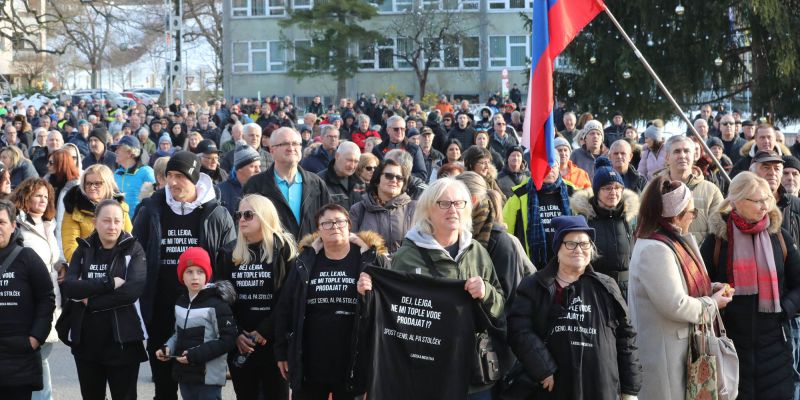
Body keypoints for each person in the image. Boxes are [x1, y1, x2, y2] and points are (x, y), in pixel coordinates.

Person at [362, 177, 504, 399]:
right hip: (424, 370)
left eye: (459, 203)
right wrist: (368, 293)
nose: (453, 210)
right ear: (428, 209)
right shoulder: (406, 257)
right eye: (444, 203)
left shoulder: (478, 252)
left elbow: (499, 307)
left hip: (471, 371)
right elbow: (390, 314)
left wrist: (486, 292)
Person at [132, 151, 236, 400]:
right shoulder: (151, 209)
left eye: (180, 176)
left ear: (195, 179)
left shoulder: (217, 213)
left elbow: (228, 262)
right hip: (161, 309)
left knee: (200, 389)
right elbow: (136, 254)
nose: (174, 182)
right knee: (163, 386)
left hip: (203, 313)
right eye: (169, 175)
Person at [508, 216, 641, 399]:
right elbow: (518, 329)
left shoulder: (606, 286)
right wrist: (542, 367)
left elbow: (625, 337)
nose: (579, 250)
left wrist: (630, 389)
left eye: (585, 244)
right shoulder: (536, 285)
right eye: (571, 244)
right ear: (558, 248)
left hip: (600, 387)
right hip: (553, 387)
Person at [628, 176, 732, 400]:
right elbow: (675, 304)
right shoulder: (655, 248)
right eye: (691, 213)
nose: (693, 219)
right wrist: (712, 303)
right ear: (676, 216)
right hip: (666, 356)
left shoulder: (668, 241)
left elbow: (680, 284)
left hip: (678, 350)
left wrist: (710, 287)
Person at [699, 172, 800, 399]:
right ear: (736, 201)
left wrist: (786, 308)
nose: (765, 206)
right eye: (757, 200)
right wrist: (717, 293)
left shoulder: (779, 237)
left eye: (767, 199)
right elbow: (700, 287)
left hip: (776, 345)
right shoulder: (716, 240)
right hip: (731, 346)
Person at [274, 204, 387, 400]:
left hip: (353, 361)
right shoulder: (305, 261)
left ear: (349, 225)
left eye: (340, 222)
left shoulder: (372, 260)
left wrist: (368, 294)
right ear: (318, 230)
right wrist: (282, 352)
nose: (334, 227)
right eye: (327, 223)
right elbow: (286, 307)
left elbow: (386, 308)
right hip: (310, 362)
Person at [60, 199, 148, 400]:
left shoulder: (133, 249)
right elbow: (71, 287)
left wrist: (91, 301)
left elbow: (131, 292)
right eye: (106, 221)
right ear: (95, 223)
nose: (113, 226)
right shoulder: (83, 249)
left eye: (117, 221)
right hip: (87, 343)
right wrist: (109, 283)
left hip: (123, 342)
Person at [217, 194, 297, 400]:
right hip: (241, 343)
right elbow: (221, 300)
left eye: (249, 214)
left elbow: (288, 297)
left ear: (265, 216)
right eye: (239, 215)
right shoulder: (229, 252)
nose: (241, 219)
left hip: (274, 342)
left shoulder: (284, 250)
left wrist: (265, 330)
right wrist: (235, 333)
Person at [155, 247, 237, 400]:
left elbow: (228, 339)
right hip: (185, 376)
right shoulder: (180, 302)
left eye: (200, 272)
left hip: (208, 378)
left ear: (207, 274)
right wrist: (167, 347)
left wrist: (194, 355)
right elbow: (177, 334)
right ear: (181, 276)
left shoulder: (217, 304)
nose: (195, 277)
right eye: (189, 272)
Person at [11, 178, 64, 400]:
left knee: (41, 357)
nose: (43, 200)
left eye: (46, 196)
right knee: (38, 357)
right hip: (29, 301)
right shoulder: (18, 226)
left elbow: (53, 256)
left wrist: (62, 265)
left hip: (51, 299)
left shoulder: (48, 224)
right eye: (37, 195)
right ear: (26, 196)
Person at [0, 199, 55, 400]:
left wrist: (35, 338)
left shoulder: (27, 257)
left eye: (1, 222)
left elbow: (46, 298)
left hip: (20, 354)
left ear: (13, 225)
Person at [243, 127, 330, 239]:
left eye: (295, 143)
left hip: (311, 253)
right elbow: (245, 225)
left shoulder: (316, 183)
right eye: (285, 144)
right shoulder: (255, 185)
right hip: (271, 253)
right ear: (272, 150)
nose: (291, 148)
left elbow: (328, 220)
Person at [570, 157, 639, 297]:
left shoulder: (630, 218)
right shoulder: (584, 220)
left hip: (627, 288)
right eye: (607, 188)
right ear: (597, 191)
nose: (613, 192)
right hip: (596, 288)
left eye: (617, 187)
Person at [504, 160, 575, 266]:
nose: (549, 169)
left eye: (553, 165)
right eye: (544, 165)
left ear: (559, 167)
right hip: (532, 269)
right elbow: (505, 234)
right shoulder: (519, 196)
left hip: (569, 264)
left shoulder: (574, 194)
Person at [656, 134, 724, 244]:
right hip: (664, 255)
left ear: (693, 156)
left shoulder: (711, 190)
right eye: (677, 151)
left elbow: (719, 231)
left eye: (687, 151)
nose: (682, 155)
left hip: (700, 258)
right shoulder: (654, 189)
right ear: (667, 157)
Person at [61, 165, 133, 262]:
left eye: (97, 183)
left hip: (117, 266)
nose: (92, 187)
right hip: (85, 268)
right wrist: (92, 266)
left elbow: (129, 241)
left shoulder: (121, 208)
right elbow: (70, 246)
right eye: (88, 183)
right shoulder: (74, 208)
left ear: (108, 184)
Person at [349, 158, 416, 255]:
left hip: (403, 268)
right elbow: (351, 244)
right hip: (369, 268)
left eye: (399, 177)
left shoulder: (414, 209)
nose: (394, 180)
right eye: (389, 176)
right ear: (377, 180)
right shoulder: (358, 209)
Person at [371, 115, 428, 181]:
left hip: (407, 188)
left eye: (402, 129)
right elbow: (373, 173)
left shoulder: (414, 149)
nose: (400, 132)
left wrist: (400, 176)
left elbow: (422, 175)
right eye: (396, 129)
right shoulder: (378, 150)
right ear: (388, 130)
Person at [112, 136, 156, 217]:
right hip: (120, 224)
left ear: (130, 153)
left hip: (140, 224)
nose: (116, 151)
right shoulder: (117, 173)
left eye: (119, 148)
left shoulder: (146, 172)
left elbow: (156, 199)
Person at [217, 144, 263, 219]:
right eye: (252, 166)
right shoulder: (220, 191)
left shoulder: (264, 190)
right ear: (239, 168)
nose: (258, 170)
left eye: (259, 166)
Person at [318, 141, 365, 209]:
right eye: (349, 160)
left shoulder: (360, 184)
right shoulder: (319, 182)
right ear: (337, 156)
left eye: (356, 161)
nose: (352, 166)